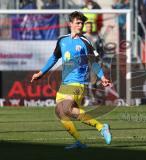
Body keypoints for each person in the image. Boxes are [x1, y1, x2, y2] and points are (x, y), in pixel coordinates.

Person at [31, 11, 112, 149]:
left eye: (82, 23)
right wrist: (41, 72)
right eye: (78, 23)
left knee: (67, 109)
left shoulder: (85, 42)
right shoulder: (62, 40)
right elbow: (54, 58)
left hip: (78, 82)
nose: (80, 25)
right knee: (61, 112)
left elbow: (93, 62)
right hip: (65, 83)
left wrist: (102, 77)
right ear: (71, 24)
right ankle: (80, 141)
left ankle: (101, 127)